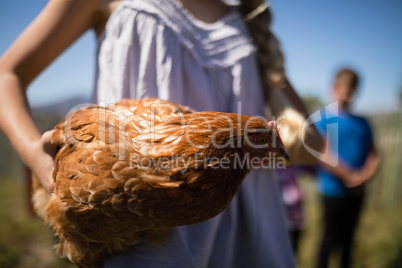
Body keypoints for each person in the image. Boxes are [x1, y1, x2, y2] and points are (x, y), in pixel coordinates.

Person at [0, 0, 321, 266]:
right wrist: (35, 154)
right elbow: (7, 75)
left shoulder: (247, 21)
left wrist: (282, 133)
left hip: (249, 222)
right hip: (131, 204)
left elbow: (315, 145)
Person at [315, 68, 380, 268]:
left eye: (351, 89)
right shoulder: (324, 119)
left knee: (349, 239)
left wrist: (364, 176)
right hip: (332, 190)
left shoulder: (363, 122)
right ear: (333, 89)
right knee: (329, 237)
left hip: (357, 191)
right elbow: (322, 154)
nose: (347, 93)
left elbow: (374, 154)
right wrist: (349, 175)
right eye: (343, 88)